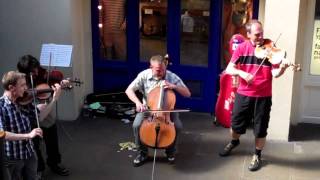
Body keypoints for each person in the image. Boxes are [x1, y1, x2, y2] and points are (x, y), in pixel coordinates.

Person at [219, 20, 290, 171]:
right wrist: (242, 73)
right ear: (248, 34)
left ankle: (257, 154)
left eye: (262, 33)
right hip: (244, 94)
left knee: (260, 128)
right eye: (257, 35)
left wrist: (282, 69)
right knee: (235, 126)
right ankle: (234, 141)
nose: (261, 37)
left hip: (263, 96)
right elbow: (229, 69)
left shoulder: (271, 49)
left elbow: (275, 73)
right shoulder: (242, 48)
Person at [125, 55, 191, 167]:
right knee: (136, 125)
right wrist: (138, 103)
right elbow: (129, 90)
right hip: (148, 108)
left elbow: (187, 93)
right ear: (151, 67)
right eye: (158, 70)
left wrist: (174, 86)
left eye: (163, 70)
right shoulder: (144, 75)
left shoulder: (171, 76)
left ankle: (170, 151)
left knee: (178, 126)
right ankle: (142, 153)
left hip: (166, 111)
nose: (161, 73)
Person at [0, 71, 61, 180]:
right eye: (22, 85)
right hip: (13, 157)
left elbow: (40, 117)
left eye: (26, 84)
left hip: (29, 153)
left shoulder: (24, 102)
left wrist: (54, 100)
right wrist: (28, 135)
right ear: (11, 87)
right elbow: (2, 134)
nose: (26, 88)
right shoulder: (1, 107)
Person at [17, 55, 70, 176]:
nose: (36, 72)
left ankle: (54, 163)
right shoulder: (19, 78)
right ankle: (39, 168)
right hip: (30, 115)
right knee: (34, 145)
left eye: (36, 69)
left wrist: (61, 83)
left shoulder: (40, 71)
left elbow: (53, 80)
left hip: (46, 110)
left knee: (52, 140)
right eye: (32, 71)